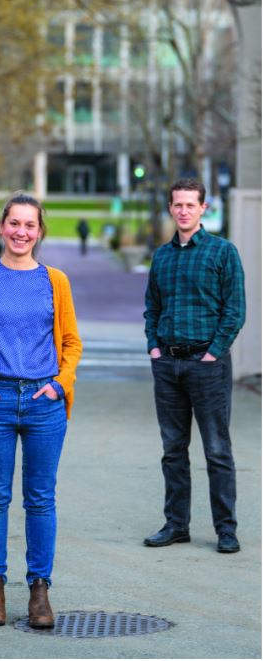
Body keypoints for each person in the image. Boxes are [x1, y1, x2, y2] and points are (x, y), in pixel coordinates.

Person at [0, 193, 82, 628]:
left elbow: (71, 343)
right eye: (15, 223)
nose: (22, 232)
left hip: (44, 403)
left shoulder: (55, 281)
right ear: (1, 227)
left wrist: (60, 385)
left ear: (40, 232)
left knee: (41, 500)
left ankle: (39, 591)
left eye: (30, 225)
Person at [143, 178, 245, 554]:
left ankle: (226, 529)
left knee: (217, 450)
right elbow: (152, 306)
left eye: (191, 204)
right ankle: (176, 525)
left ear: (204, 208)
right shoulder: (162, 256)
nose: (183, 210)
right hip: (167, 365)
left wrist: (213, 353)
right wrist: (154, 348)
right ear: (170, 208)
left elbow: (235, 311)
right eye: (178, 204)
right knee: (173, 450)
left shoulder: (223, 253)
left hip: (208, 365)